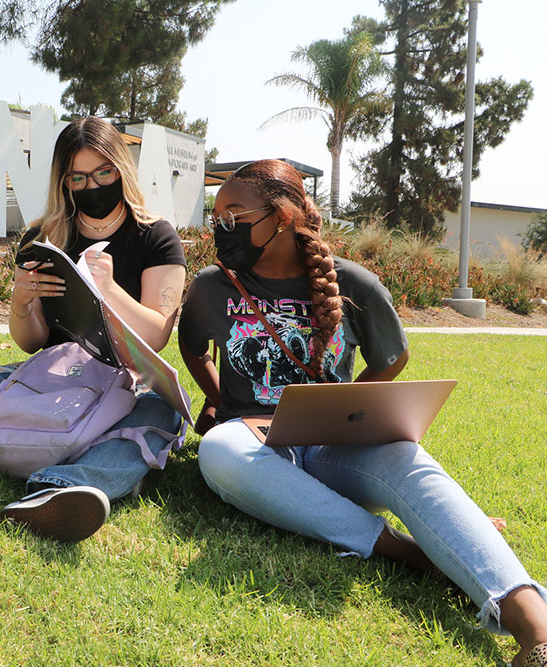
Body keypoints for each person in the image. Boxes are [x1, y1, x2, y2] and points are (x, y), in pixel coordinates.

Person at [178, 159, 547, 667]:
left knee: (405, 458)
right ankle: (409, 551)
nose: (220, 227)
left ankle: (535, 627)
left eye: (233, 213)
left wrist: (345, 412)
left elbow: (392, 358)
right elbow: (193, 349)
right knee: (218, 451)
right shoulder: (210, 287)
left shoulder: (355, 283)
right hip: (252, 441)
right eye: (216, 216)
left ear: (282, 216)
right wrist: (224, 402)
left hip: (333, 444)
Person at [0, 116, 187, 543]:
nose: (92, 187)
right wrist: (20, 304)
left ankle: (57, 483)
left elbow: (157, 334)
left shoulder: (156, 236)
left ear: (121, 170)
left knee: (164, 411)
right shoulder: (44, 236)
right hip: (60, 380)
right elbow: (32, 342)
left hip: (128, 383)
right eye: (78, 178)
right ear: (63, 182)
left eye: (104, 173)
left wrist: (109, 289)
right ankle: (99, 452)